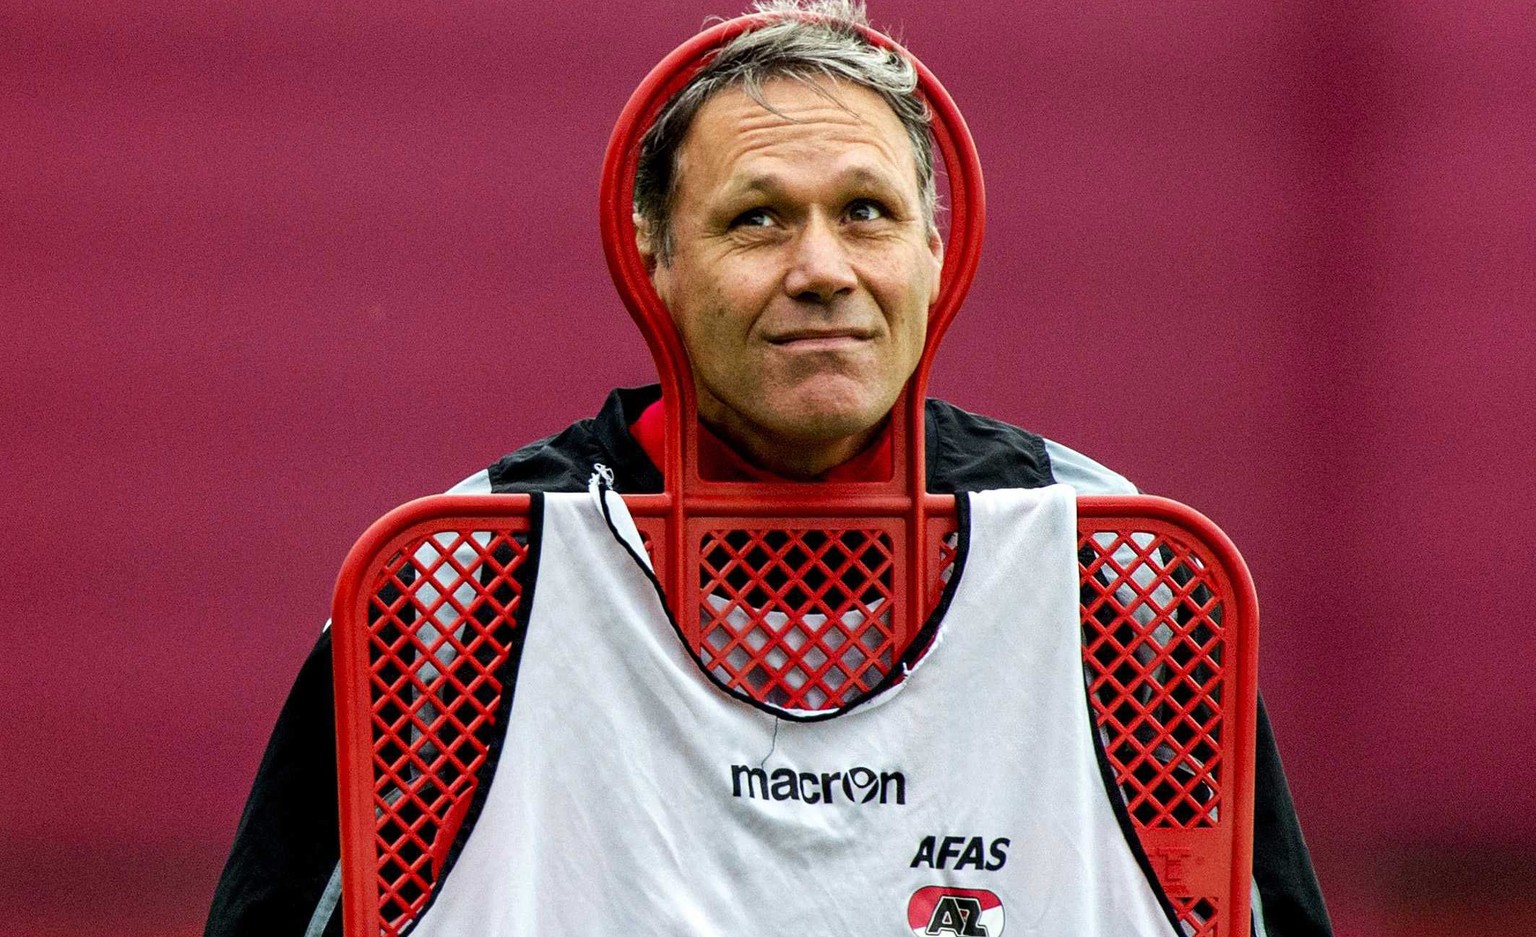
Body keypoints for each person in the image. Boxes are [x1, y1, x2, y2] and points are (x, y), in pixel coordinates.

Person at [205, 2, 1332, 935]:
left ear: (936, 250)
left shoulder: (1115, 576)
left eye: (867, 211)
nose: (823, 268)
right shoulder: (460, 585)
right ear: (652, 248)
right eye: (757, 219)